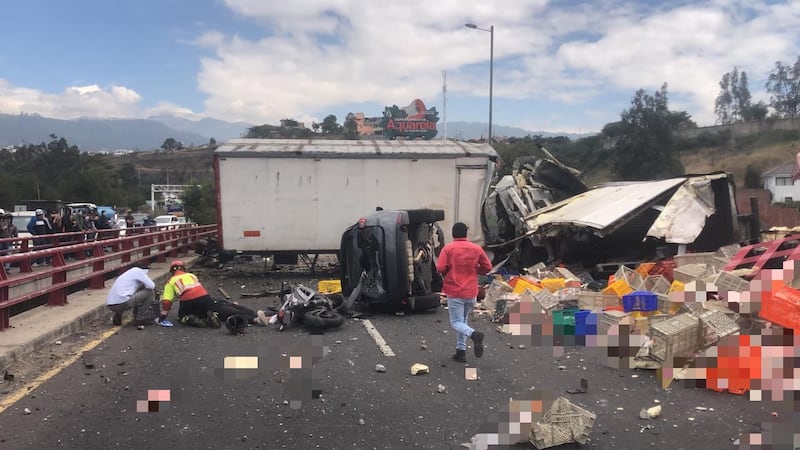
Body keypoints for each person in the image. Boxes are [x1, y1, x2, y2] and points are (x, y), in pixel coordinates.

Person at [436, 222, 492, 363]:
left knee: (456, 322)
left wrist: (449, 269)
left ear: (453, 233)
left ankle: (474, 334)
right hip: (471, 292)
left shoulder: (448, 249)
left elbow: (440, 268)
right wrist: (476, 270)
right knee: (463, 321)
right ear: (465, 234)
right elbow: (487, 267)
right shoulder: (476, 248)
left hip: (455, 291)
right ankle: (460, 351)